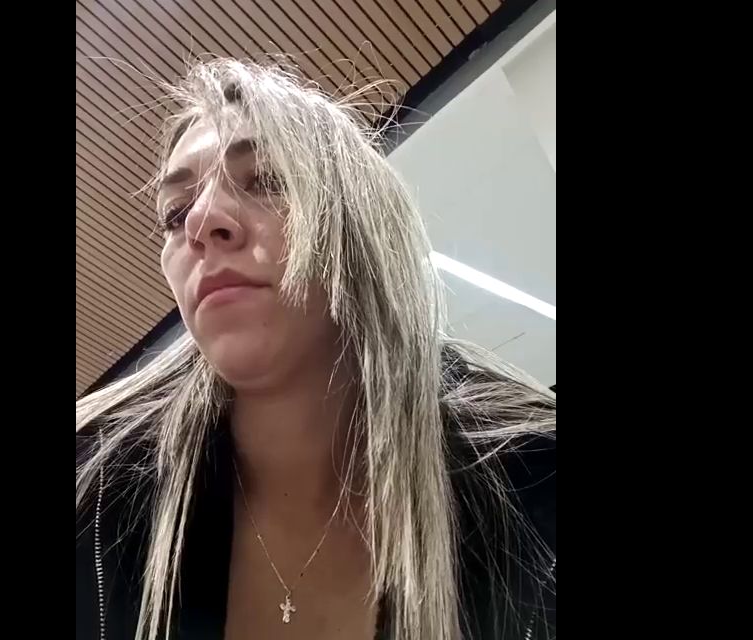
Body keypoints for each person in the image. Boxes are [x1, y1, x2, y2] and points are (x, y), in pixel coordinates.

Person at [76, 59, 555, 640]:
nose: (199, 222)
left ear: (358, 226)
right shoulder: (95, 487)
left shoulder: (533, 480)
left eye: (266, 180)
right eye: (175, 214)